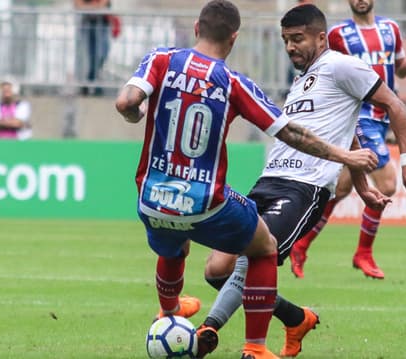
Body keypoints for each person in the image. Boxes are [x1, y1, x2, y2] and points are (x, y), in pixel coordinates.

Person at [114, 1, 380, 358]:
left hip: (151, 198)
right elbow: (291, 134)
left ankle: (169, 311)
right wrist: (346, 157)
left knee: (175, 241)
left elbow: (127, 102)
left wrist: (136, 113)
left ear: (196, 27)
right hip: (205, 201)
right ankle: (255, 347)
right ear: (234, 38)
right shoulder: (233, 83)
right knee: (263, 246)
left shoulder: (160, 59)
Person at [198, 4, 406, 358]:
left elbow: (395, 105)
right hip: (268, 181)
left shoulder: (342, 65)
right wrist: (363, 186)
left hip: (305, 188)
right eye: (286, 40)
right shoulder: (303, 79)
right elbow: (344, 129)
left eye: (297, 39)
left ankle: (217, 333)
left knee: (255, 254)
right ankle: (295, 318)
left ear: (321, 37)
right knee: (216, 271)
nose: (290, 47)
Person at [290, 0, 406, 279]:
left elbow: (398, 70)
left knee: (341, 189)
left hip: (383, 117)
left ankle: (301, 244)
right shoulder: (338, 34)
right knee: (387, 183)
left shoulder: (391, 29)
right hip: (358, 115)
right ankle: (363, 252)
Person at [74, 0, 111, 96]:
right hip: (87, 25)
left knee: (101, 55)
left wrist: (89, 7)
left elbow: (103, 4)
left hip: (102, 25)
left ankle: (91, 82)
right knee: (88, 57)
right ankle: (90, 83)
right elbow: (78, 5)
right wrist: (95, 7)